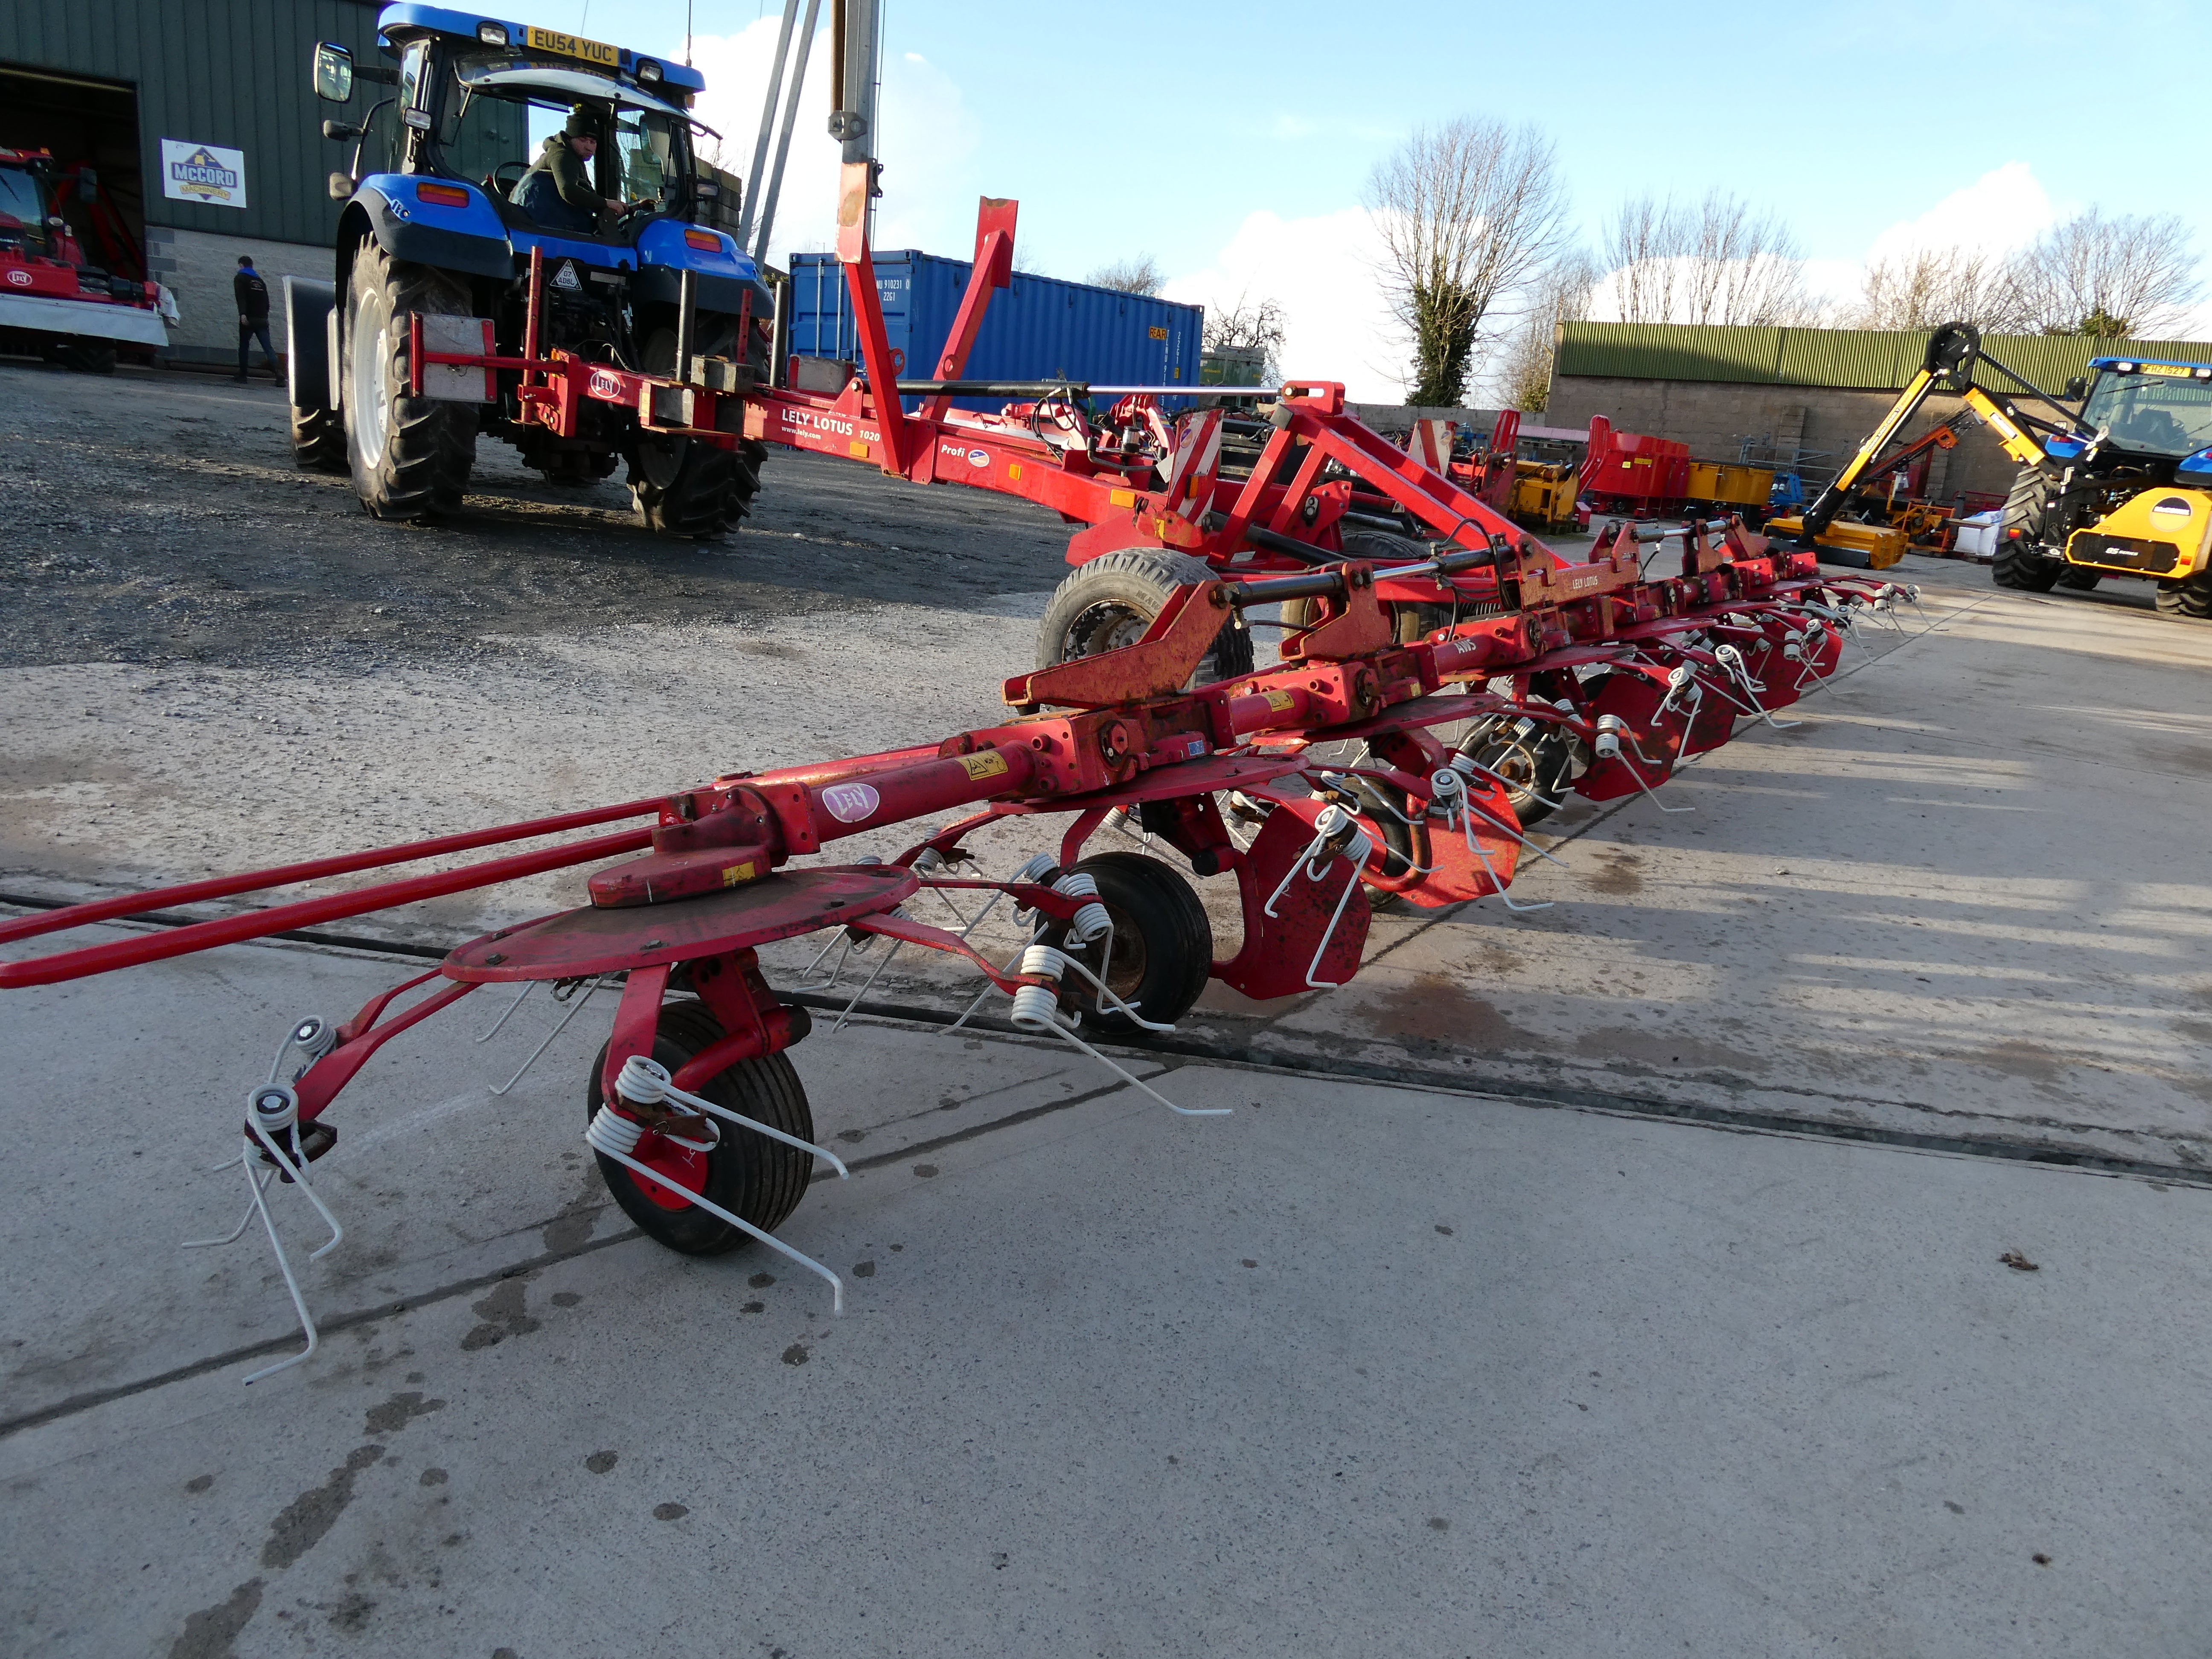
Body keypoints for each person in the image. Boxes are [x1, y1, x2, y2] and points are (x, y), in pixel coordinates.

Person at [515, 108, 620, 234]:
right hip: (541, 228)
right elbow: (568, 191)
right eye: (583, 140)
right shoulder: (562, 155)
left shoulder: (576, 159)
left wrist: (625, 208)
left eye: (593, 142)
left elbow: (589, 195)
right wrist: (606, 203)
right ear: (570, 139)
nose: (589, 147)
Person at [233, 256, 279, 384]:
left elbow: (241, 297)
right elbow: (267, 301)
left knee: (244, 346)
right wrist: (265, 315)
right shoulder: (260, 280)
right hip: (262, 318)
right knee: (268, 347)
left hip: (249, 318)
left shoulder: (240, 278)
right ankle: (278, 373)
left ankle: (243, 375)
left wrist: (243, 314)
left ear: (241, 265)